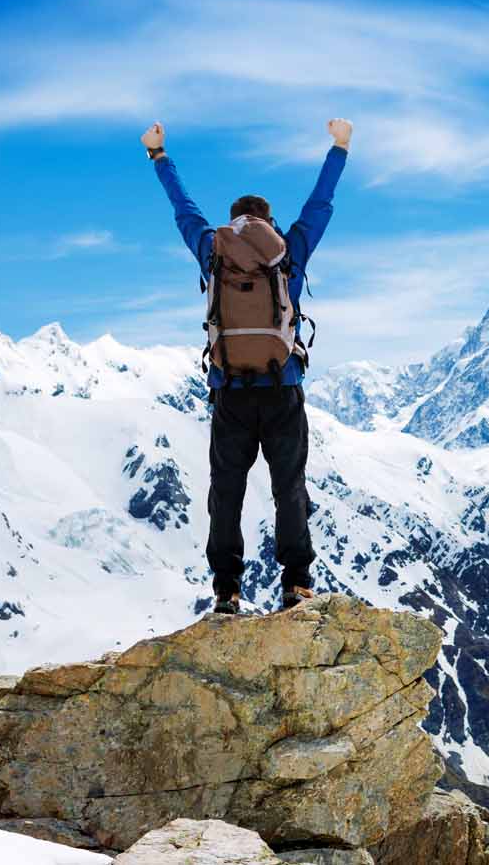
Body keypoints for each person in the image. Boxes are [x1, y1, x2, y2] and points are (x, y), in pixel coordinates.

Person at [142, 117, 351, 614]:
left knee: (227, 492)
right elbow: (319, 206)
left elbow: (183, 210)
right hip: (283, 389)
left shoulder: (213, 253)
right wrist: (339, 147)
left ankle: (226, 590)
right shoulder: (288, 254)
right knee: (289, 488)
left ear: (233, 223)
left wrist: (159, 156)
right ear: (269, 223)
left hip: (230, 393)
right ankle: (297, 584)